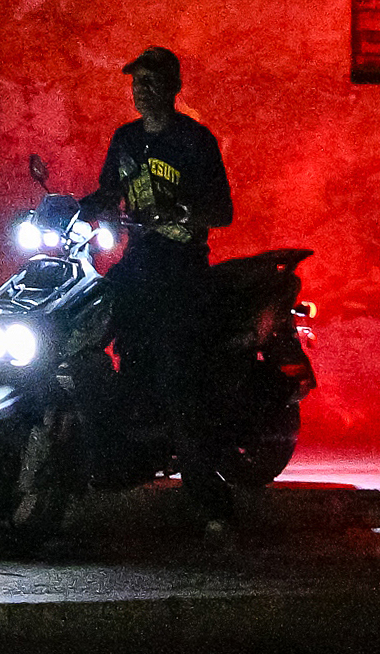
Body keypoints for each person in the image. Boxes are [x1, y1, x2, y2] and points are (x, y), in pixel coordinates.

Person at [88, 45, 240, 532]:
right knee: (84, 326)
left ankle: (209, 499)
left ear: (174, 88)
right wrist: (65, 208)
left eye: (152, 81)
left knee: (176, 375)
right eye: (137, 82)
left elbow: (223, 210)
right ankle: (104, 452)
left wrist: (183, 213)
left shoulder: (194, 141)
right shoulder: (125, 139)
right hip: (137, 264)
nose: (142, 90)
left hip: (181, 268)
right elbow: (108, 194)